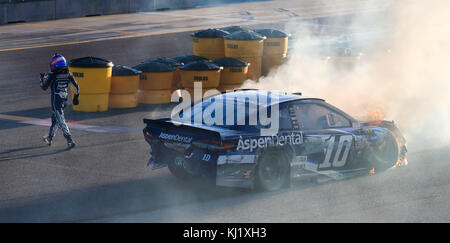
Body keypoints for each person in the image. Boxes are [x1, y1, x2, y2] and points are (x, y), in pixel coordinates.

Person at [40, 53, 80, 150]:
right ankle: (49, 138)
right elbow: (76, 87)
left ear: (54, 64)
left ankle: (69, 139)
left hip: (56, 100)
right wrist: (76, 97)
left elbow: (44, 87)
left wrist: (41, 79)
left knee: (60, 119)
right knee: (55, 119)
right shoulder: (68, 74)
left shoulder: (53, 75)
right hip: (64, 98)